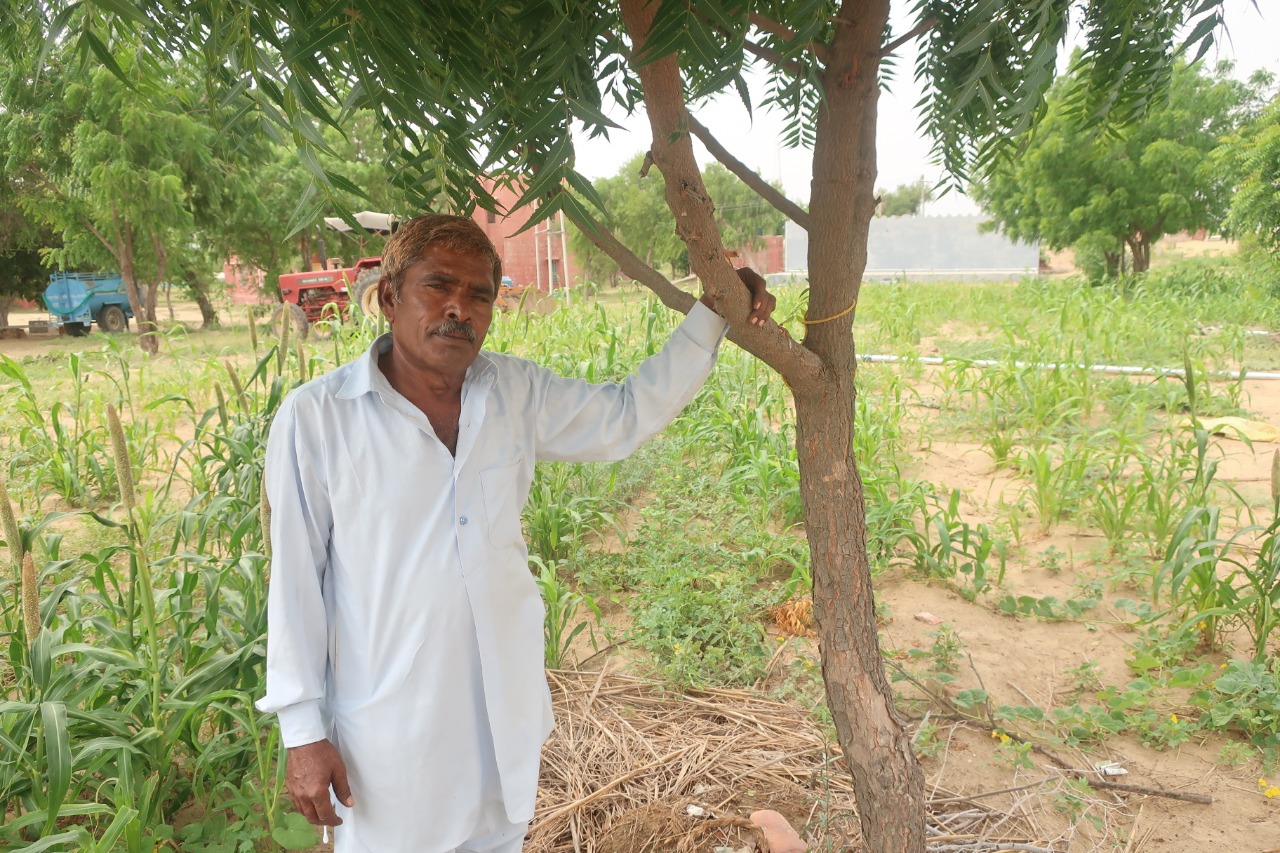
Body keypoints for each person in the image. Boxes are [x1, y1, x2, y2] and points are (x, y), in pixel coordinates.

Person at [257, 213, 775, 853]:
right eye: (438, 287)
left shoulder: (514, 393)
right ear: (390, 296)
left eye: (479, 295)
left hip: (503, 714)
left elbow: (625, 416)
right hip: (390, 735)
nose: (459, 309)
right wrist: (302, 730)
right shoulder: (319, 418)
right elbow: (295, 581)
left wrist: (713, 313)